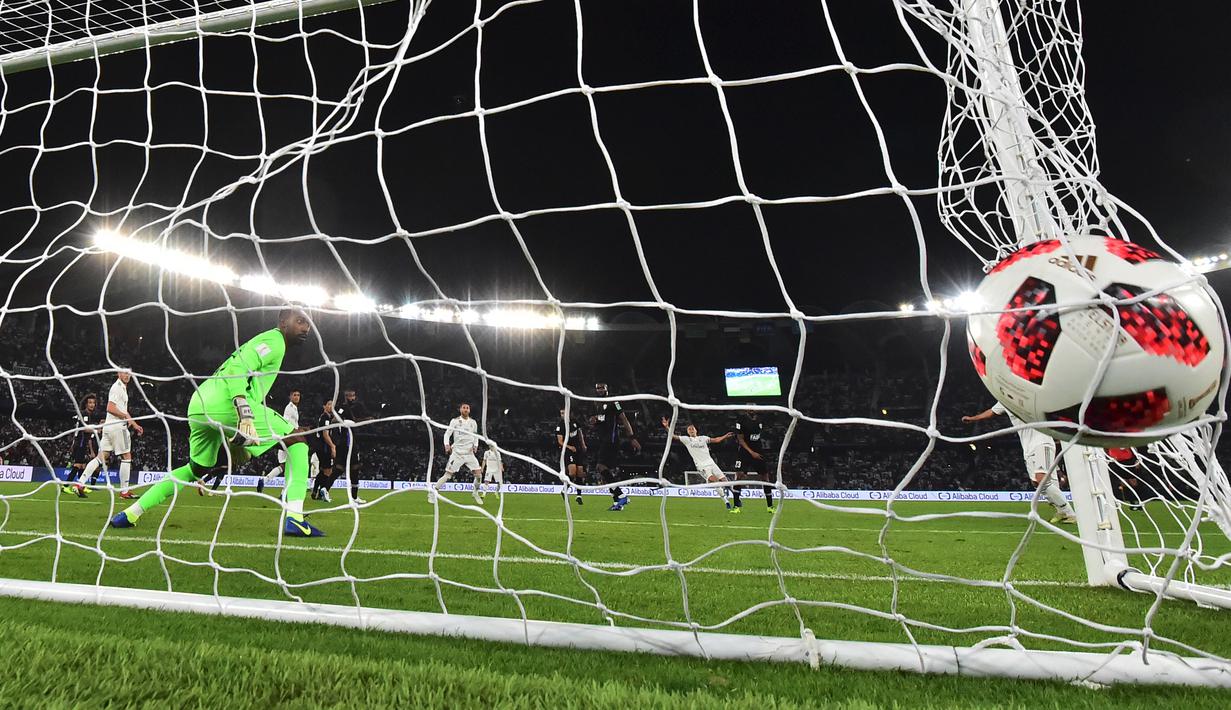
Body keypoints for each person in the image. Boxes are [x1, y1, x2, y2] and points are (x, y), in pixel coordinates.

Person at [109, 308, 324, 537]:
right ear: (283, 322)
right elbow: (237, 369)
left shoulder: (269, 342)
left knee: (195, 469)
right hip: (226, 403)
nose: (305, 328)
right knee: (297, 438)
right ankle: (295, 517)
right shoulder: (274, 340)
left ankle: (130, 513)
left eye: (308, 324)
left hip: (200, 404)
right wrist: (244, 409)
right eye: (300, 322)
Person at [963, 403, 1076, 524]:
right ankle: (1061, 511)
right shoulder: (1004, 400)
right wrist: (973, 418)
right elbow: (991, 411)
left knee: (1041, 480)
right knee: (1036, 483)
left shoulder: (1028, 395)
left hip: (1042, 442)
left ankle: (1070, 514)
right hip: (1027, 447)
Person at [77, 370, 144, 499]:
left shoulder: (122, 388)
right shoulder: (117, 388)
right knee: (126, 457)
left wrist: (134, 424)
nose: (127, 375)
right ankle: (124, 491)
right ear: (118, 374)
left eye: (129, 373)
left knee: (100, 457)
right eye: (124, 373)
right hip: (118, 427)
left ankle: (80, 484)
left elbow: (123, 410)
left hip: (109, 427)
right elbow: (110, 408)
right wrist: (125, 417)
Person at [662, 417, 736, 512]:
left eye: (693, 428)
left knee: (725, 481)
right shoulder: (686, 440)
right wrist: (667, 427)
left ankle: (729, 500)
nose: (691, 430)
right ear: (687, 432)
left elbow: (716, 440)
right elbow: (673, 436)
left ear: (696, 430)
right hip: (702, 466)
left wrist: (725, 436)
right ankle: (725, 499)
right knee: (716, 480)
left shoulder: (703, 438)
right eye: (689, 429)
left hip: (711, 463)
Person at [590, 383, 641, 512]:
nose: (600, 390)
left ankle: (622, 496)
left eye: (602, 388)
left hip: (611, 440)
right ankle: (617, 502)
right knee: (604, 473)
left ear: (607, 389)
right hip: (603, 440)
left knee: (600, 467)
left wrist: (632, 437)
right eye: (598, 388)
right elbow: (599, 421)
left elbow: (623, 418)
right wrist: (593, 421)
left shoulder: (614, 401)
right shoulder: (596, 403)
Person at [435, 403, 481, 502]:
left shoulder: (473, 422)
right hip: (457, 453)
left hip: (469, 453)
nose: (466, 409)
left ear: (469, 410)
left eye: (467, 408)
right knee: (448, 475)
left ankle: (475, 492)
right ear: (460, 410)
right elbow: (447, 434)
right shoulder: (455, 421)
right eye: (464, 408)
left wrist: (476, 446)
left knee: (479, 475)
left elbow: (476, 436)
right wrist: (447, 445)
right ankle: (433, 492)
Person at [734, 408, 777, 512]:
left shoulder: (760, 419)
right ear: (746, 410)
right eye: (750, 408)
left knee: (765, 477)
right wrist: (751, 452)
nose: (752, 410)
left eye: (754, 407)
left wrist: (756, 452)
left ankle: (770, 507)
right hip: (744, 452)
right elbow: (740, 439)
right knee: (739, 476)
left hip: (758, 451)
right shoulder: (741, 420)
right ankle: (736, 506)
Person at [334, 389, 373, 504]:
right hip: (345, 441)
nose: (351, 398)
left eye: (352, 396)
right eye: (349, 396)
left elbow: (356, 421)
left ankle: (353, 497)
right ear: (345, 397)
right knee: (349, 467)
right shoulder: (342, 407)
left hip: (351, 440)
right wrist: (344, 421)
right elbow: (335, 419)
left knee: (352, 468)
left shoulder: (354, 408)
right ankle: (325, 489)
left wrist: (366, 420)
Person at [63, 394, 104, 497]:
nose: (92, 405)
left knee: (82, 465)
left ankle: (81, 486)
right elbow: (84, 429)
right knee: (77, 465)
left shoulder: (88, 414)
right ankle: (65, 486)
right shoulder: (85, 414)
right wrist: (96, 430)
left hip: (82, 442)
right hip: (80, 442)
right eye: (90, 402)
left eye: (93, 403)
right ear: (86, 404)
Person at [310, 400, 340, 503]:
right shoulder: (325, 418)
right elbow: (325, 434)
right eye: (329, 404)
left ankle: (315, 491)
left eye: (332, 404)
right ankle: (323, 493)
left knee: (323, 470)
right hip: (324, 447)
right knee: (328, 471)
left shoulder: (326, 417)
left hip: (320, 447)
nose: (331, 406)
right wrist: (332, 446)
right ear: (324, 406)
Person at [555, 407, 586, 505]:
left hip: (578, 450)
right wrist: (569, 447)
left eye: (564, 413)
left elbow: (580, 433)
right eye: (561, 413)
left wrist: (583, 444)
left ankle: (579, 496)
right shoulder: (560, 425)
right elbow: (560, 441)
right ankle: (564, 491)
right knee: (572, 473)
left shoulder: (575, 422)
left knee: (580, 472)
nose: (562, 415)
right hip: (568, 451)